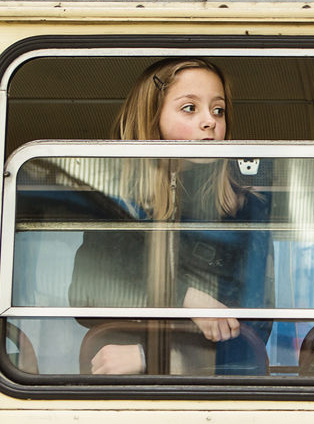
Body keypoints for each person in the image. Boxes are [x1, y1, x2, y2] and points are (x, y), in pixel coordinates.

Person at [68, 57, 271, 375]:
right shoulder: (116, 201)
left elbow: (253, 325)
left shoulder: (245, 207)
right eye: (190, 108)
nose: (210, 122)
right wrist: (186, 298)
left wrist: (155, 357)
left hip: (217, 387)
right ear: (152, 117)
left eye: (218, 110)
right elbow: (86, 296)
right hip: (123, 389)